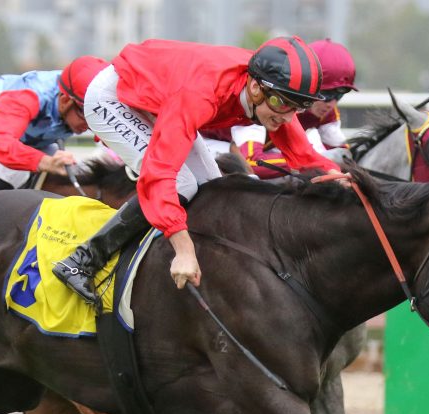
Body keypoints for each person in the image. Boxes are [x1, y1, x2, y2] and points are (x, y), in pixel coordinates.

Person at [51, 36, 343, 303]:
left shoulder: (271, 93)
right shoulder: (203, 93)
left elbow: (305, 156)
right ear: (256, 88)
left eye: (298, 107)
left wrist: (341, 178)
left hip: (161, 96)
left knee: (215, 188)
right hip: (114, 97)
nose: (289, 117)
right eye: (282, 103)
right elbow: (159, 174)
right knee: (182, 185)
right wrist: (183, 248)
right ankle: (83, 260)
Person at [0, 55, 108, 196]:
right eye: (85, 115)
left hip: (20, 137)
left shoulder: (80, 100)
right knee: (15, 171)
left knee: (69, 170)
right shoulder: (29, 95)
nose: (90, 125)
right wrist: (46, 162)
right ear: (65, 101)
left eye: (97, 115)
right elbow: (3, 146)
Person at [202, 38, 358, 178]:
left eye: (339, 96)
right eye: (326, 94)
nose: (331, 104)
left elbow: (342, 155)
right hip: (215, 143)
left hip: (258, 151)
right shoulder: (262, 102)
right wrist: (313, 165)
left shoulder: (324, 112)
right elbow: (251, 162)